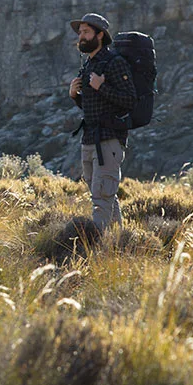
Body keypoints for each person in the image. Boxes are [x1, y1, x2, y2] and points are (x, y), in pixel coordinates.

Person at [68, 13, 136, 232]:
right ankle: (117, 238)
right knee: (102, 193)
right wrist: (75, 96)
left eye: (86, 32)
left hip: (109, 140)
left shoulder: (114, 63)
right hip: (89, 139)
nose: (81, 36)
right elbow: (93, 107)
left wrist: (101, 87)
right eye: (80, 32)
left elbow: (130, 100)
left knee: (101, 195)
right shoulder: (88, 65)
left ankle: (97, 243)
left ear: (100, 35)